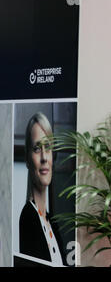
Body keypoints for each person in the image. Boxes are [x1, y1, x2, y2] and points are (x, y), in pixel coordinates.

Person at [19, 112, 65, 265]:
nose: (44, 157)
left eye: (48, 147)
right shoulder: (28, 218)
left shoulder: (52, 221)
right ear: (27, 159)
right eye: (37, 149)